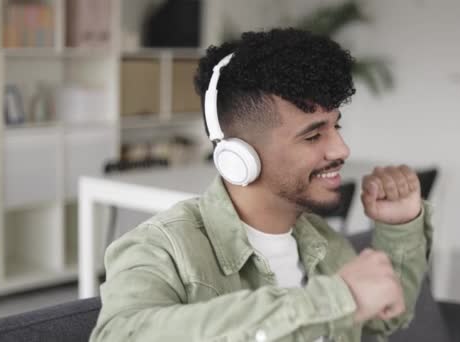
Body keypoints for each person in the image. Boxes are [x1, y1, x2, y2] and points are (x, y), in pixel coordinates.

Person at [90, 28, 433, 342]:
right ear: (238, 157)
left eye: (335, 127)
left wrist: (399, 227)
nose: (341, 149)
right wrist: (334, 301)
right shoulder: (162, 248)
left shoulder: (320, 241)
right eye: (313, 134)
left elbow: (382, 319)